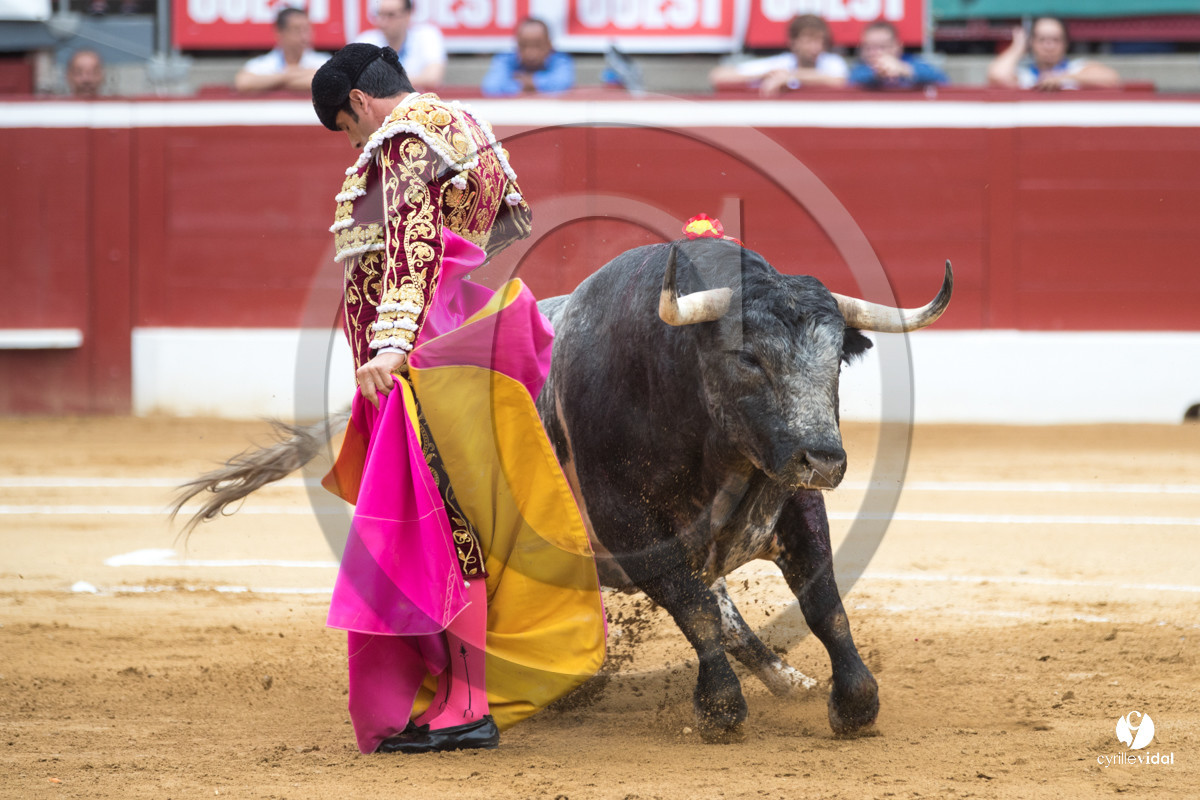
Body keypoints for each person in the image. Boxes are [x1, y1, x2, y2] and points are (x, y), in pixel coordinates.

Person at [310, 43, 605, 755]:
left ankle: (467, 705)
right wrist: (448, 291)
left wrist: (391, 345)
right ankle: (458, 693)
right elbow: (509, 219)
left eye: (349, 132)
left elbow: (412, 248)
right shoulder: (466, 126)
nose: (356, 145)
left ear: (357, 103)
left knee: (447, 528)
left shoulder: (406, 140)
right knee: (460, 521)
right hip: (456, 339)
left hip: (420, 360)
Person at [709, 14, 847, 96]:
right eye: (809, 41)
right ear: (793, 42)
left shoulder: (832, 62)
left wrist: (790, 76)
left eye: (820, 41)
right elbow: (718, 76)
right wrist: (766, 75)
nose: (816, 47)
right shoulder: (781, 64)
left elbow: (839, 81)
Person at [987, 17, 1120, 91]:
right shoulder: (1024, 75)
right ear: (1032, 43)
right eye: (1042, 40)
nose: (1049, 46)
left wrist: (1062, 78)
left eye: (1055, 40)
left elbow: (1111, 79)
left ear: (1066, 43)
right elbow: (996, 75)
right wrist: (1018, 47)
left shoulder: (1076, 68)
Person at [234, 8, 330, 93]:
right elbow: (243, 83)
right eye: (297, 30)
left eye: (306, 29)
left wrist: (272, 82)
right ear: (280, 33)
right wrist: (289, 75)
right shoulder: (263, 64)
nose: (304, 36)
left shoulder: (323, 61)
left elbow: (328, 81)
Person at [354, 0, 446, 90]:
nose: (383, 22)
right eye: (380, 15)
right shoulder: (365, 41)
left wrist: (384, 82)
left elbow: (433, 78)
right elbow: (355, 79)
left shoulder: (427, 35)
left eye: (391, 15)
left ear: (407, 15)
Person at [481, 17, 574, 96]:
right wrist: (523, 85)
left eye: (538, 46)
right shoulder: (505, 60)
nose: (530, 54)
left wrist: (533, 82)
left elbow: (563, 84)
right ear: (517, 45)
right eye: (524, 46)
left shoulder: (561, 60)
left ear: (549, 45)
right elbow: (491, 87)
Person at [849, 20, 946, 89]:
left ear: (897, 46)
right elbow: (852, 82)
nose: (875, 53)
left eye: (882, 47)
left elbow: (942, 80)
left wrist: (904, 69)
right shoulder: (860, 69)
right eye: (868, 48)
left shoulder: (912, 62)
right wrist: (877, 74)